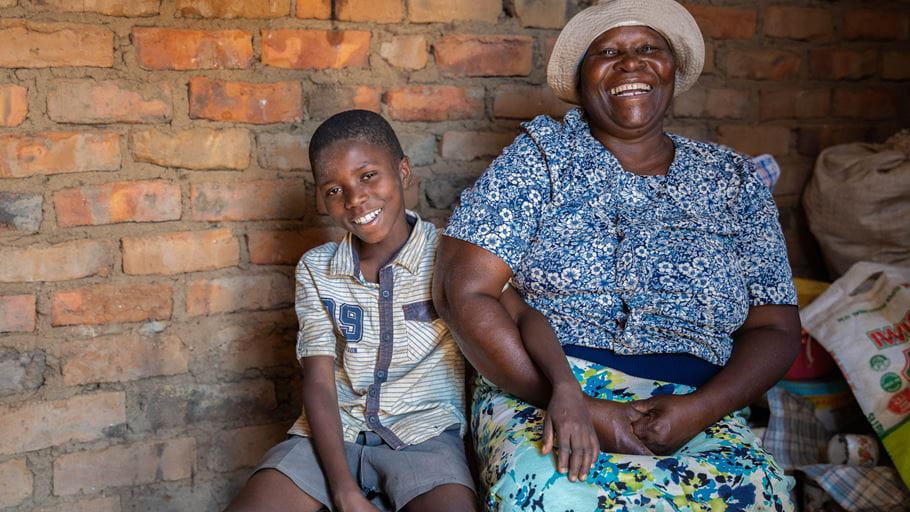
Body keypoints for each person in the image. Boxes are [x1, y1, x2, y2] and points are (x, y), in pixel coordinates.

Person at [432, 0, 802, 510]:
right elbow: (462, 290)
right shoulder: (541, 158)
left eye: (649, 48)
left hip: (694, 405)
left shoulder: (732, 181)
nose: (631, 63)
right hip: (551, 391)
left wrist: (700, 409)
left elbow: (776, 328)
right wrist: (581, 405)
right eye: (608, 52)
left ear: (673, 69)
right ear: (583, 79)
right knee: (549, 492)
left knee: (759, 494)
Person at [224, 110, 480, 512]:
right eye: (333, 189)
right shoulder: (316, 268)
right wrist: (343, 489)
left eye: (367, 176)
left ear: (403, 171)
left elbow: (517, 316)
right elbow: (320, 384)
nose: (355, 199)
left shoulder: (450, 253)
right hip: (327, 437)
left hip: (424, 439)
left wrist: (564, 388)